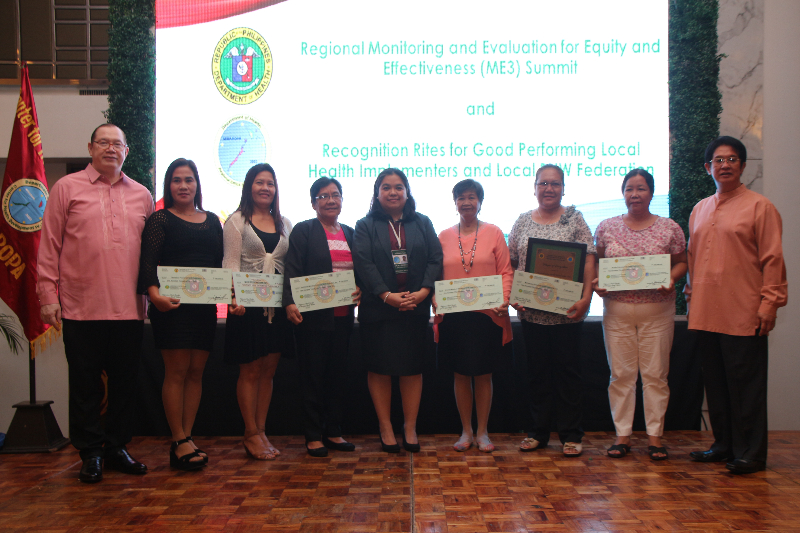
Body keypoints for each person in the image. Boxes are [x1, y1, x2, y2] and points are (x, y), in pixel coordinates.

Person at [37, 124, 154, 483]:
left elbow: (152, 255)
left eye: (117, 143)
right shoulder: (66, 188)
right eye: (103, 142)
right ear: (90, 148)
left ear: (126, 151)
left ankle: (116, 447)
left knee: (124, 384)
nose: (110, 148)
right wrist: (47, 297)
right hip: (80, 306)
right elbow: (49, 246)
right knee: (85, 385)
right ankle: (90, 453)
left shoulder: (142, 195)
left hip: (130, 308)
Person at [686, 136, 787, 474]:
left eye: (732, 159)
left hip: (744, 310)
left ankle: (752, 453)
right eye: (718, 160)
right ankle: (724, 444)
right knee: (716, 384)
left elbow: (773, 259)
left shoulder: (761, 207)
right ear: (708, 168)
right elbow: (693, 257)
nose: (724, 165)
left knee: (747, 387)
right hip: (705, 310)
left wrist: (769, 304)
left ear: (742, 166)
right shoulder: (700, 208)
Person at [592, 169, 687, 461]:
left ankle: (655, 437)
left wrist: (672, 278)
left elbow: (682, 262)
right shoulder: (606, 227)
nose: (635, 194)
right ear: (623, 193)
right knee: (620, 375)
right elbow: (596, 264)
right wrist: (598, 283)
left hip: (657, 312)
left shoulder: (669, 228)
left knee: (656, 375)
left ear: (652, 193)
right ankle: (623, 435)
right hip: (617, 312)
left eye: (641, 189)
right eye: (630, 189)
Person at [137, 158, 223, 470]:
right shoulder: (160, 220)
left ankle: (187, 437)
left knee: (196, 373)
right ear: (168, 186)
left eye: (189, 180)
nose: (183, 186)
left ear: (197, 184)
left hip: (204, 309)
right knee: (176, 372)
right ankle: (177, 439)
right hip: (170, 308)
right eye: (176, 180)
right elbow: (148, 263)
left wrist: (227, 290)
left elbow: (218, 266)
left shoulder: (213, 221)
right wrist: (154, 294)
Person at [508, 164, 596, 457]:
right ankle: (538, 433)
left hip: (566, 313)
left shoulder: (574, 218)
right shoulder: (522, 221)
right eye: (543, 183)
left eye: (555, 184)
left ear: (563, 188)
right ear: (534, 187)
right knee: (537, 376)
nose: (549, 189)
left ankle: (571, 435)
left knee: (568, 376)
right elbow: (511, 264)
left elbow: (587, 260)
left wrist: (586, 298)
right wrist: (513, 295)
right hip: (531, 314)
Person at [353, 168, 443, 453]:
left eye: (399, 187)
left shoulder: (422, 222)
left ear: (407, 192)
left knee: (412, 369)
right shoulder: (365, 225)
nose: (393, 192)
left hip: (414, 307)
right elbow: (363, 264)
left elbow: (435, 258)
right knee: (379, 369)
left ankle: (410, 427)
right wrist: (386, 295)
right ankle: (385, 426)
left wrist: (425, 292)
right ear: (377, 193)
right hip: (378, 310)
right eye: (386, 187)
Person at [283, 177, 362, 457]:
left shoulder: (351, 233)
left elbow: (359, 273)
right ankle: (313, 434)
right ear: (313, 202)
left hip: (343, 318)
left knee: (337, 376)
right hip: (312, 318)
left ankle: (334, 431)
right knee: (313, 376)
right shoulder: (305, 231)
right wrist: (289, 302)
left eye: (335, 195)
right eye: (323, 196)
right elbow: (292, 268)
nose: (330, 200)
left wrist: (360, 288)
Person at [433, 179, 513, 453]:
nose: (466, 202)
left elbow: (506, 271)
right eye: (461, 198)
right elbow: (435, 276)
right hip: (454, 317)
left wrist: (504, 300)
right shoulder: (442, 236)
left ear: (480, 201)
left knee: (483, 375)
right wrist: (435, 300)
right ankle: (466, 430)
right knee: (459, 374)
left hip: (487, 316)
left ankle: (483, 432)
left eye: (472, 197)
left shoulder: (494, 232)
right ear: (454, 202)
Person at [223, 163, 292, 461]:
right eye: (260, 182)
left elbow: (290, 267)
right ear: (249, 185)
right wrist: (232, 297)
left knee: (269, 370)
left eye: (271, 184)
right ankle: (249, 432)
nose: (266, 188)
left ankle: (262, 430)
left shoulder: (284, 222)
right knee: (250, 371)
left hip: (276, 307)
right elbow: (230, 262)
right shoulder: (237, 220)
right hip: (246, 308)